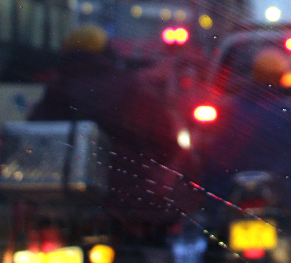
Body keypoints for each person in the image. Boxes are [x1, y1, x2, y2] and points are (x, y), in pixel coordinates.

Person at [30, 24, 190, 230]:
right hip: (126, 203)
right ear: (106, 52)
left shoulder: (55, 90)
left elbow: (34, 138)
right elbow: (165, 138)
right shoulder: (130, 87)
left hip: (64, 201)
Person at [202, 48, 291, 229]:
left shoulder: (234, 108)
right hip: (274, 192)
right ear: (280, 77)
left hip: (232, 192)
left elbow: (216, 161)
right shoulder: (284, 111)